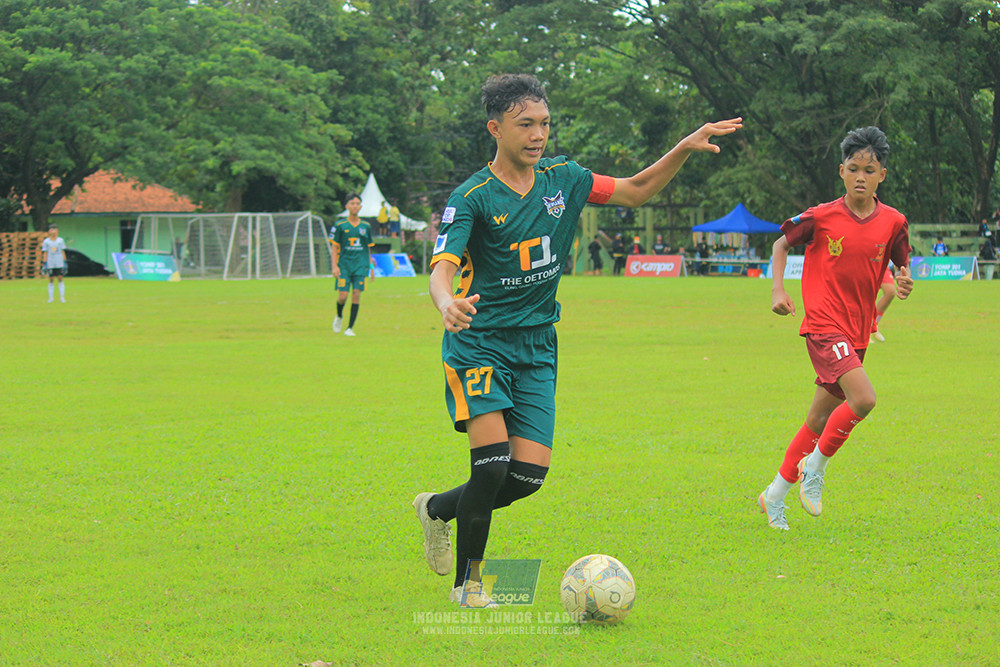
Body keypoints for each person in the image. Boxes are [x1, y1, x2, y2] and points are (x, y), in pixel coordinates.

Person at [412, 73, 741, 605]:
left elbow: (634, 191)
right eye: (525, 125)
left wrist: (682, 147)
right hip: (480, 343)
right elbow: (442, 265)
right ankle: (469, 586)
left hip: (538, 346)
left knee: (525, 478)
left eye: (544, 123)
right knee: (491, 464)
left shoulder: (565, 179)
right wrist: (446, 301)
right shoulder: (471, 197)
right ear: (495, 129)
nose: (538, 134)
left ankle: (436, 510)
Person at [758, 126, 913, 531]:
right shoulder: (821, 216)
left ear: (883, 175)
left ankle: (774, 495)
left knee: (817, 419)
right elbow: (780, 245)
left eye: (870, 169)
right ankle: (816, 466)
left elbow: (901, 262)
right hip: (825, 326)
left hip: (858, 333)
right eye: (853, 168)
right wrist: (778, 289)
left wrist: (905, 278)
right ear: (841, 171)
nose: (861, 176)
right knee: (863, 399)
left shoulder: (894, 222)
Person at [330, 193, 374, 336]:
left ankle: (350, 328)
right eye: (352, 203)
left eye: (357, 204)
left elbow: (368, 247)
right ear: (347, 206)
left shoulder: (366, 226)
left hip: (360, 266)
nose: (355, 206)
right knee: (343, 295)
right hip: (344, 266)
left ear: (360, 206)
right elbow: (335, 247)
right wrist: (334, 266)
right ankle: (339, 315)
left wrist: (371, 267)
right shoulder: (340, 225)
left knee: (356, 294)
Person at [40, 224, 68, 302]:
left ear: (57, 231)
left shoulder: (60, 240)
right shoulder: (46, 241)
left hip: (59, 262)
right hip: (50, 262)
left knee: (60, 278)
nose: (53, 232)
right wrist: (44, 263)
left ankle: (62, 297)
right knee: (51, 279)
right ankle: (51, 298)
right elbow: (45, 252)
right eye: (52, 230)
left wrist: (65, 262)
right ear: (49, 231)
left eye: (55, 230)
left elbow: (63, 251)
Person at [870, 264, 896, 342]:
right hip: (865, 261)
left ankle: (873, 326)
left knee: (890, 292)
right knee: (866, 294)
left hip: (881, 262)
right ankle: (863, 332)